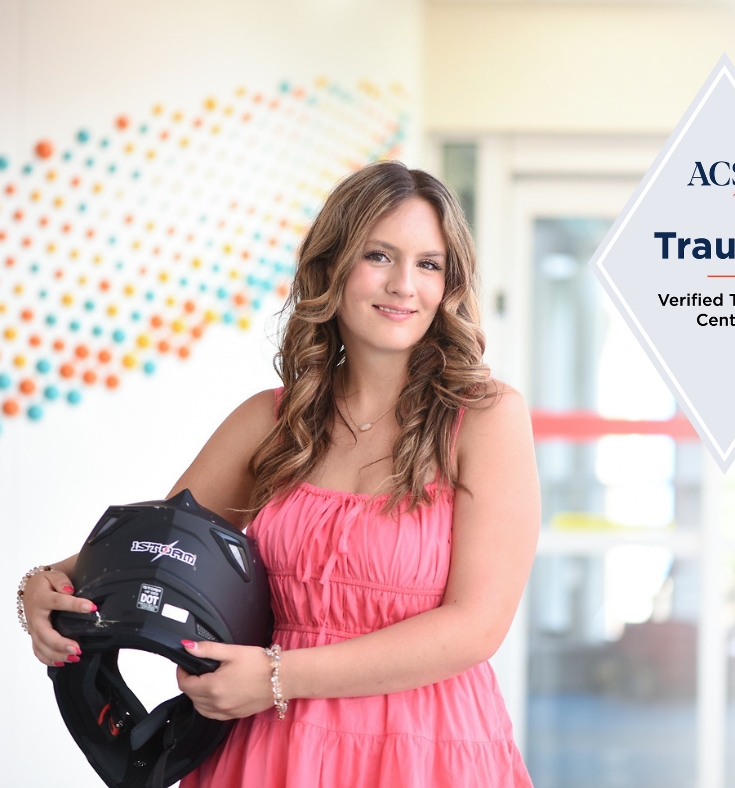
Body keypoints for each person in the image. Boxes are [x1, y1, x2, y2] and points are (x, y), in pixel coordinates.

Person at [20, 160, 541, 787]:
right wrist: (46, 585)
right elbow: (155, 556)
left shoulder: (486, 420)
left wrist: (276, 679)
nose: (405, 284)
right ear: (332, 268)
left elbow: (475, 627)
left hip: (422, 750)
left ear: (449, 283)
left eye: (428, 264)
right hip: (266, 748)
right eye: (379, 255)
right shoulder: (270, 420)